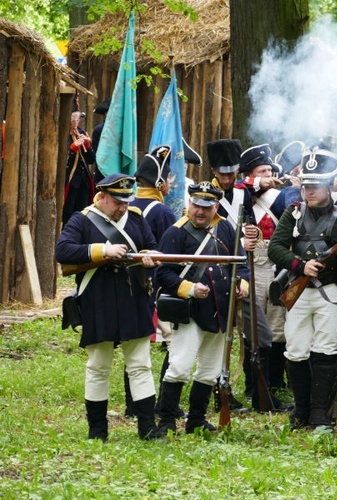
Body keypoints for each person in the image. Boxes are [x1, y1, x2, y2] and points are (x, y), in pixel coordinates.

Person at [55, 173, 162, 441]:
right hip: (98, 299)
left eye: (126, 201)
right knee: (98, 366)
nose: (122, 207)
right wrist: (102, 250)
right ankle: (97, 431)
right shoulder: (82, 219)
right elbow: (63, 251)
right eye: (117, 202)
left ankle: (148, 428)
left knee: (140, 365)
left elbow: (151, 246)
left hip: (133, 298)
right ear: (102, 198)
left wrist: (153, 256)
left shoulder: (136, 218)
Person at [268, 147, 337, 430]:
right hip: (297, 290)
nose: (309, 191)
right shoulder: (293, 213)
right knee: (295, 351)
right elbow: (275, 248)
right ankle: (301, 410)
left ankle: (319, 411)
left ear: (330, 185)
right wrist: (299, 267)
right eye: (306, 185)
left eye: (315, 186)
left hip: (329, 291)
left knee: (326, 350)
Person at [155, 181, 251, 434]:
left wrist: (242, 283)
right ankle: (166, 420)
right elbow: (163, 274)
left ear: (215, 207)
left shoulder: (226, 228)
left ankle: (196, 419)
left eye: (206, 207)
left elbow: (240, 263)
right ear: (189, 203)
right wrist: (189, 288)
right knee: (179, 366)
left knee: (210, 370)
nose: (200, 211)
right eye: (196, 205)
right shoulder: (175, 232)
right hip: (191, 311)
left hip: (222, 309)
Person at [237, 144, 291, 404]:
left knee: (277, 323)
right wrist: (257, 181)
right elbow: (240, 187)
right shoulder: (240, 193)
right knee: (254, 328)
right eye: (262, 170)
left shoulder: (279, 197)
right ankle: (253, 384)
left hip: (275, 262)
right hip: (253, 262)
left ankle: (274, 382)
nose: (269, 174)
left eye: (270, 169)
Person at [132, 145, 180, 418]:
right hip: (158, 287)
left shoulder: (128, 206)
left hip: (133, 285)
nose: (171, 183)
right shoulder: (162, 213)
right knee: (173, 343)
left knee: (135, 343)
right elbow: (170, 255)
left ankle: (132, 405)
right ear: (160, 182)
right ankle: (164, 402)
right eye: (169, 178)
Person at [62, 110, 96, 225]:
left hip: (83, 181)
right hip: (70, 181)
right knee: (68, 213)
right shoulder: (62, 134)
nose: (77, 122)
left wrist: (87, 145)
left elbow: (91, 160)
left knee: (83, 212)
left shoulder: (81, 132)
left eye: (78, 119)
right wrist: (72, 149)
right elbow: (61, 159)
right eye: (75, 119)